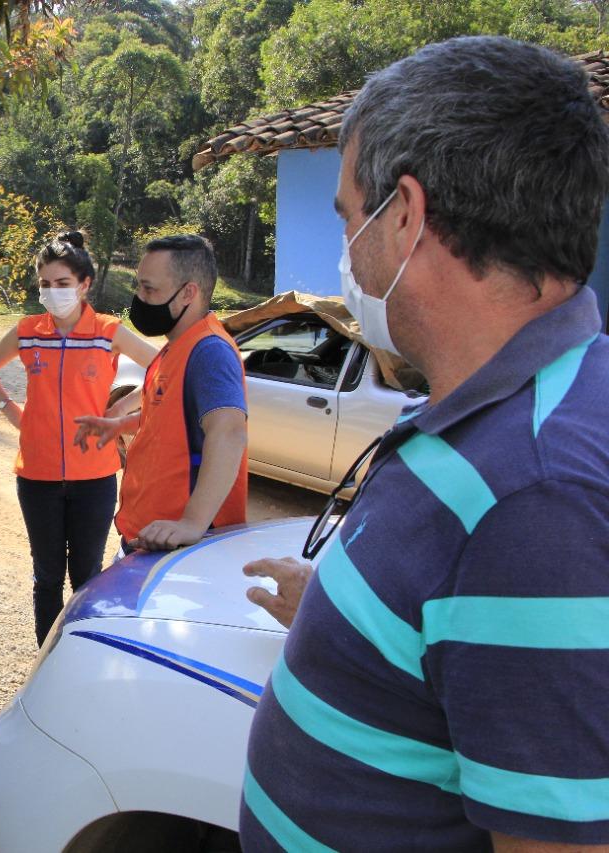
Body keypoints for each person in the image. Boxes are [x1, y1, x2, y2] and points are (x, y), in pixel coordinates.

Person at [239, 37, 609, 852]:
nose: (347, 256)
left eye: (347, 217)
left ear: (403, 215)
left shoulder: (533, 498)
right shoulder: (500, 414)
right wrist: (341, 607)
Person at [0, 232, 156, 645]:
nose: (52, 293)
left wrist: (118, 411)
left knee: (87, 576)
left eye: (62, 284)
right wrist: (11, 412)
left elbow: (165, 368)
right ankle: (47, 658)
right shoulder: (28, 331)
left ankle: (80, 654)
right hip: (36, 476)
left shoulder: (108, 331)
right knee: (47, 575)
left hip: (94, 476)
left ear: (84, 284)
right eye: (45, 284)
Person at [73, 235, 249, 551]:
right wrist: (119, 424)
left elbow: (229, 432)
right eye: (139, 287)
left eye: (149, 289)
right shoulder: (177, 347)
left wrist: (192, 523)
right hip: (151, 534)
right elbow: (169, 415)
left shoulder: (210, 351)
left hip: (177, 546)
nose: (139, 298)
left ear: (188, 294)